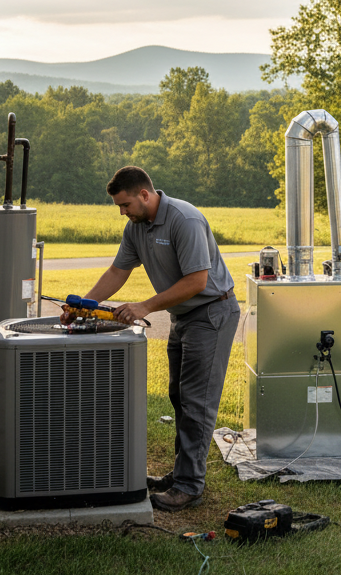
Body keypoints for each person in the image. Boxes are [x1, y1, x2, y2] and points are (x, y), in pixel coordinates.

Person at [65, 166, 239, 511]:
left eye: (126, 204)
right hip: (184, 316)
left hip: (212, 313)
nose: (122, 212)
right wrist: (83, 306)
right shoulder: (137, 226)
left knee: (196, 402)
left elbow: (197, 282)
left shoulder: (183, 220)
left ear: (145, 194)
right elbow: (117, 271)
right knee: (179, 396)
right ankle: (181, 473)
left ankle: (190, 486)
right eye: (119, 207)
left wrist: (144, 305)